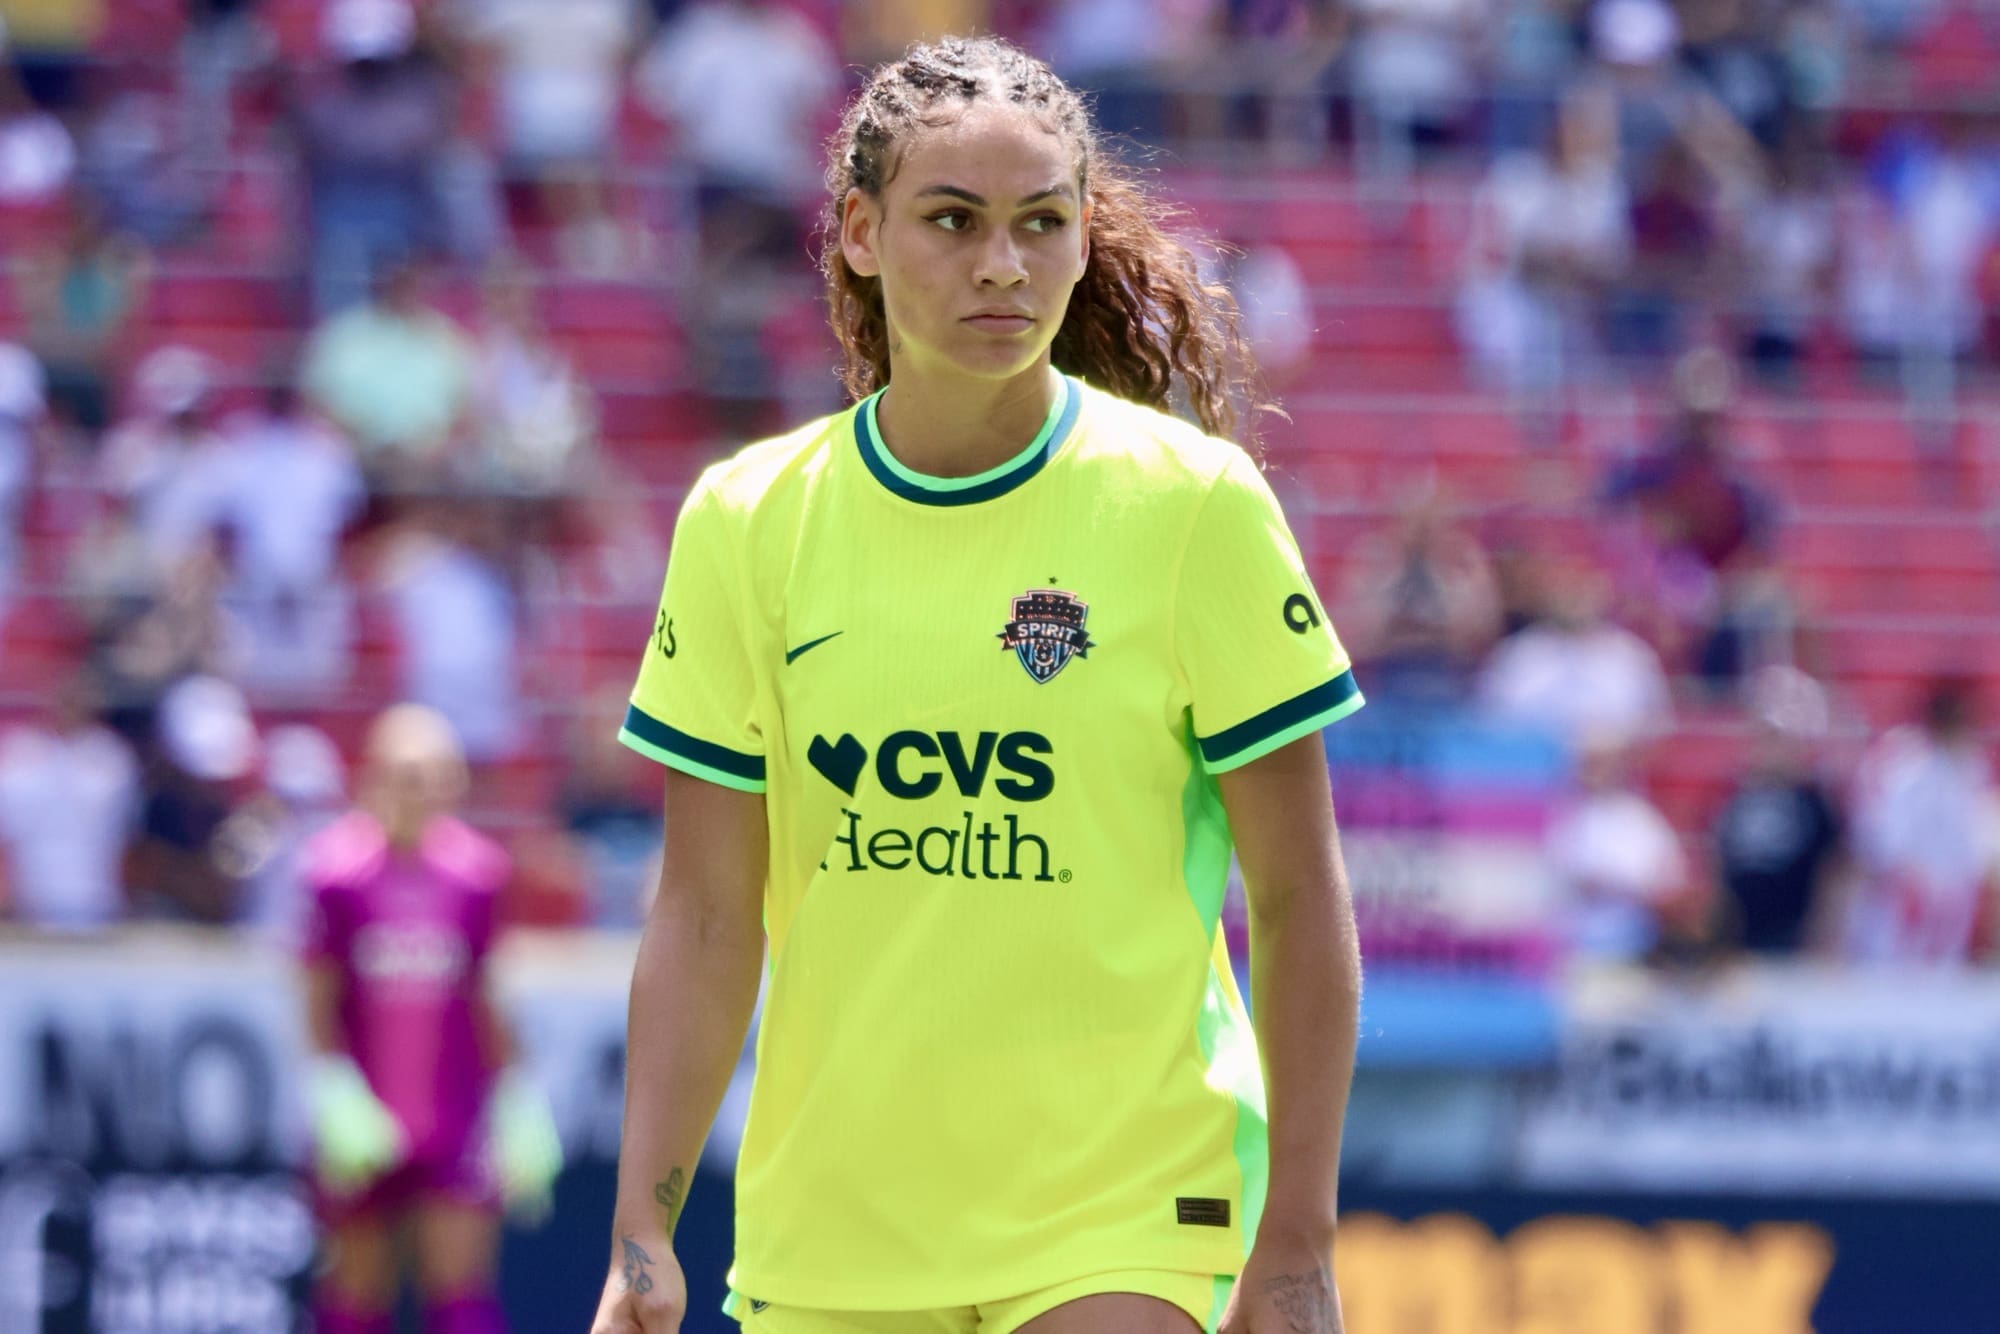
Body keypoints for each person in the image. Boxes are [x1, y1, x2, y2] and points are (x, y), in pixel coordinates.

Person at [592, 36, 1361, 1334]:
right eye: (953, 220)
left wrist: (1293, 1244)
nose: (1003, 265)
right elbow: (708, 917)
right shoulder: (744, 519)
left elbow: (1296, 893)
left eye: (1040, 224)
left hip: (1122, 1209)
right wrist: (641, 1239)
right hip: (832, 1236)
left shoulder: (1195, 506)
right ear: (858, 231)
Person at [301, 703, 562, 1334]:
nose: (417, 793)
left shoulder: (478, 877)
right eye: (403, 775)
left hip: (455, 1115)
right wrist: (336, 1093)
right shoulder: (335, 875)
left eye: (432, 776)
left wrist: (517, 1099)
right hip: (364, 1121)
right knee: (355, 1295)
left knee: (461, 1296)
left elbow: (488, 994)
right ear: (374, 776)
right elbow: (316, 999)